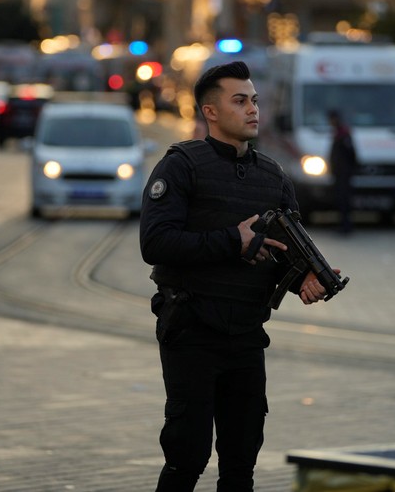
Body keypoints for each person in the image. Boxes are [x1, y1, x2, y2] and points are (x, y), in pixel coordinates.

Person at [140, 60, 335, 491]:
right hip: (192, 328)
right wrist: (232, 239)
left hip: (246, 334)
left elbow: (287, 249)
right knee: (187, 455)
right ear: (210, 112)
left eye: (255, 101)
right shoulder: (181, 166)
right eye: (240, 100)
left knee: (241, 460)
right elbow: (154, 244)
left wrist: (303, 277)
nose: (253, 110)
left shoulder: (273, 176)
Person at [327, 109, 358, 234]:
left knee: (344, 200)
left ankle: (346, 226)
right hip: (340, 173)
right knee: (340, 200)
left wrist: (348, 169)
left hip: (343, 173)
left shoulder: (343, 133)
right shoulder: (339, 132)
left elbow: (351, 153)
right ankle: (343, 224)